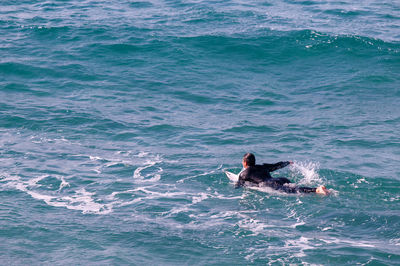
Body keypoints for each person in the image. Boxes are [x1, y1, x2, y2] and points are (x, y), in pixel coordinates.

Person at [236, 153, 329, 195]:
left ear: (245, 162)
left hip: (269, 184)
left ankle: (316, 190)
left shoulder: (244, 174)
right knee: (295, 187)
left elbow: (239, 185)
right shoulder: (262, 166)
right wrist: (287, 163)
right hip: (280, 179)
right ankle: (317, 189)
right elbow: (276, 166)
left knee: (295, 190)